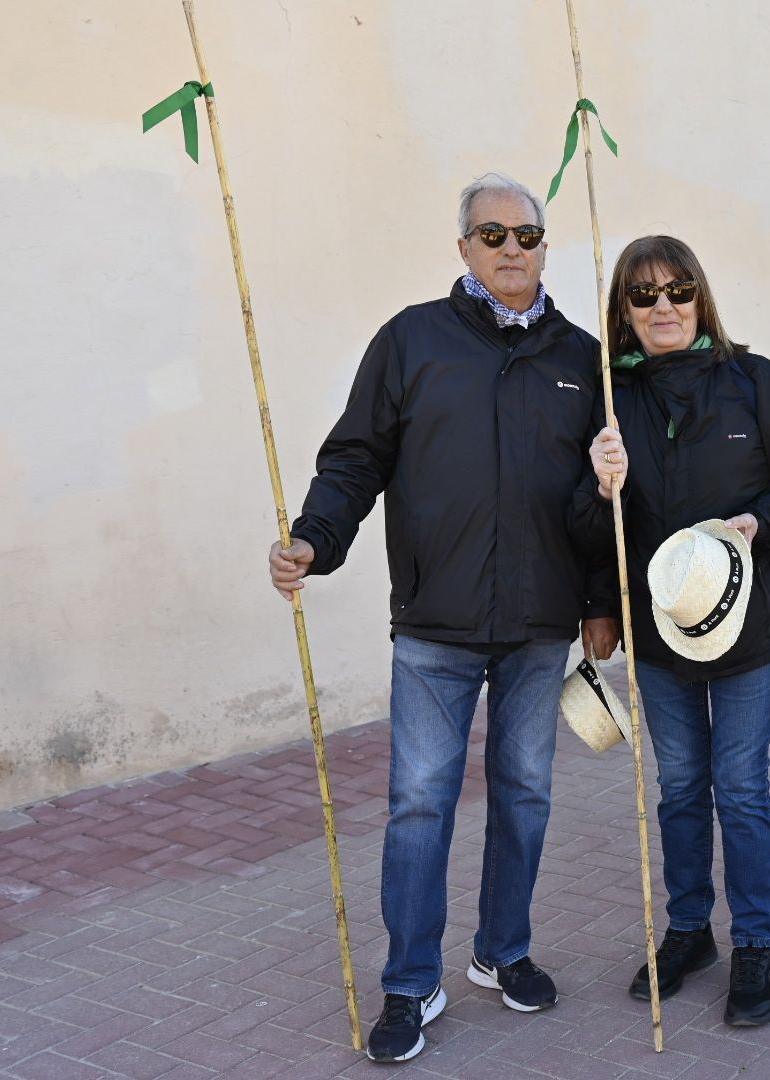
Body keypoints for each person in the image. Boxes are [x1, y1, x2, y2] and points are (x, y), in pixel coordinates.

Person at [267, 173, 617, 1062]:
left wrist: (601, 603)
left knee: (526, 795)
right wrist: (314, 538)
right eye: (491, 234)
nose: (510, 249)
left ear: (546, 246)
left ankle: (503, 952)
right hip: (435, 623)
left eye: (527, 235)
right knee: (420, 803)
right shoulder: (410, 340)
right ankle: (410, 981)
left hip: (539, 622)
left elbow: (596, 503)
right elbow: (354, 459)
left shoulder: (583, 357)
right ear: (462, 246)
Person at [571, 236, 770, 1026]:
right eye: (644, 295)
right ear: (624, 310)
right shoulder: (612, 403)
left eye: (677, 290)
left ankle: (753, 942)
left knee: (742, 785)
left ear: (701, 298)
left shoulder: (755, 382)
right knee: (681, 786)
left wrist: (766, 521)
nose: (663, 306)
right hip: (661, 636)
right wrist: (600, 484)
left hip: (752, 628)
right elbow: (593, 531)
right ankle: (690, 929)